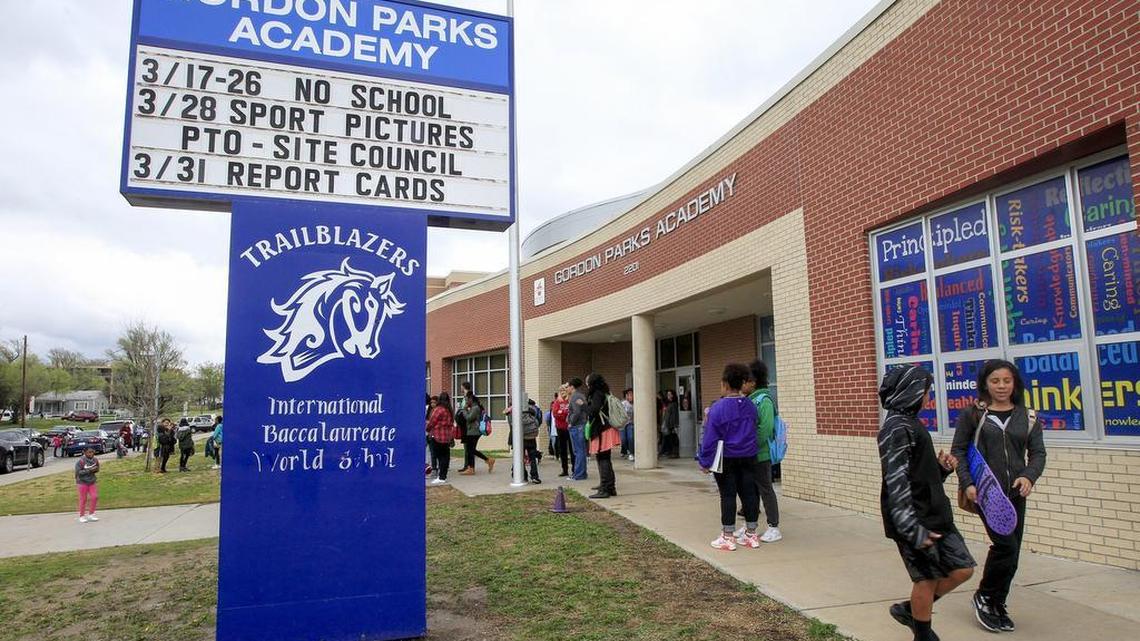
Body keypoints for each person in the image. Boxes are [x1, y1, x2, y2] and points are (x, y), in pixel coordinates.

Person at [879, 364, 975, 641]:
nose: (927, 397)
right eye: (925, 391)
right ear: (911, 391)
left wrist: (941, 469)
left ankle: (912, 611)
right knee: (926, 577)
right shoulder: (896, 428)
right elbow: (896, 481)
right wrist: (911, 527)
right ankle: (923, 633)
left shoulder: (911, 423)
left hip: (935, 513)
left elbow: (918, 474)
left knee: (962, 569)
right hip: (914, 519)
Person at [951, 359, 1046, 633]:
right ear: (985, 384)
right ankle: (985, 596)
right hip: (986, 492)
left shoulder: (1027, 416)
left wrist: (1028, 476)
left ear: (1014, 383)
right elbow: (958, 451)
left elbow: (1038, 453)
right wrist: (968, 483)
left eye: (1006, 380)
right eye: (995, 381)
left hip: (1015, 494)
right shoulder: (973, 415)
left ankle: (997, 602)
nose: (1001, 386)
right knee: (1005, 546)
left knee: (1012, 552)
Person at [697, 363, 761, 550]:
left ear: (725, 384)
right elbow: (755, 428)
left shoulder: (717, 408)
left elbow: (710, 438)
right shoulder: (750, 405)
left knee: (728, 495)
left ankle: (728, 536)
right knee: (749, 493)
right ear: (742, 383)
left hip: (726, 457)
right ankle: (751, 534)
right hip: (749, 455)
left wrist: (705, 461)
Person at [743, 360, 782, 543]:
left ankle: (774, 527)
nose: (743, 384)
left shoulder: (764, 400)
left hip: (761, 454)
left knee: (766, 489)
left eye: (746, 379)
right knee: (750, 491)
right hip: (751, 454)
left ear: (754, 380)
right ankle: (750, 524)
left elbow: (765, 428)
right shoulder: (751, 400)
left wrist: (749, 445)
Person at [583, 373, 620, 498]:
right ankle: (610, 487)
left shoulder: (597, 394)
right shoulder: (603, 392)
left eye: (588, 381)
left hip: (601, 430)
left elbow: (593, 411)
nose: (586, 383)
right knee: (605, 458)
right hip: (605, 428)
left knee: (603, 458)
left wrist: (583, 405)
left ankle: (605, 489)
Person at [459, 391, 494, 475]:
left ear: (471, 399)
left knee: (470, 450)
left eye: (467, 400)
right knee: (471, 450)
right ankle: (485, 461)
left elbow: (469, 418)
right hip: (472, 431)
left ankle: (473, 467)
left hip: (474, 431)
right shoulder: (474, 407)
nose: (466, 402)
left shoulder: (475, 408)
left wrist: (464, 410)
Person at [425, 391, 455, 485]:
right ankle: (443, 476)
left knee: (438, 456)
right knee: (445, 457)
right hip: (446, 437)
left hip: (437, 436)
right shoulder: (449, 410)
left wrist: (427, 429)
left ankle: (441, 476)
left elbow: (432, 421)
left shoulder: (438, 409)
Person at [567, 377, 589, 481]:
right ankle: (582, 473)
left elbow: (576, 412)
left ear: (572, 387)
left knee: (578, 451)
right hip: (582, 425)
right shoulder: (581, 395)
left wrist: (571, 422)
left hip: (577, 426)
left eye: (568, 386)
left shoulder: (575, 397)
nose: (567, 389)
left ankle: (578, 474)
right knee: (582, 450)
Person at [75, 447, 100, 523]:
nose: (91, 454)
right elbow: (79, 473)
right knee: (83, 499)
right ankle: (82, 516)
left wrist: (95, 469)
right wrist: (89, 470)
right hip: (82, 482)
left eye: (92, 452)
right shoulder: (81, 461)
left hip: (92, 481)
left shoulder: (95, 460)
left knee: (94, 497)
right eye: (89, 452)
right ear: (85, 453)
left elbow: (98, 468)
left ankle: (91, 514)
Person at [551, 388, 572, 477]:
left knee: (572, 449)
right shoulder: (557, 402)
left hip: (570, 427)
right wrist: (564, 413)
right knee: (562, 449)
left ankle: (575, 468)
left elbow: (570, 412)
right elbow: (555, 413)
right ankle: (565, 469)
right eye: (561, 391)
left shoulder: (570, 401)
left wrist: (562, 413)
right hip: (560, 428)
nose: (563, 393)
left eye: (565, 391)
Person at [660, 389, 680, 458]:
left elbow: (674, 416)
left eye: (670, 394)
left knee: (672, 439)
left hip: (671, 425)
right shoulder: (667, 404)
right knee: (668, 439)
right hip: (667, 424)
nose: (669, 396)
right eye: (668, 394)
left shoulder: (674, 404)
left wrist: (674, 425)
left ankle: (673, 453)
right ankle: (668, 452)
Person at [620, 388, 635, 462]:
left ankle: (631, 453)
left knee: (631, 437)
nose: (630, 396)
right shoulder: (623, 403)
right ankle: (627, 450)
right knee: (623, 439)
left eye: (631, 394)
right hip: (622, 424)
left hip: (630, 423)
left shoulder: (635, 404)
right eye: (629, 395)